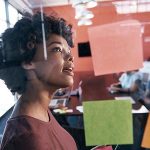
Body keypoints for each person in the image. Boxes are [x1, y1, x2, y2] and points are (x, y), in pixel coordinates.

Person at [0, 12, 77, 150]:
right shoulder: (26, 139)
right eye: (57, 49)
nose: (70, 57)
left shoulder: (40, 111)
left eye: (69, 52)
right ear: (28, 61)